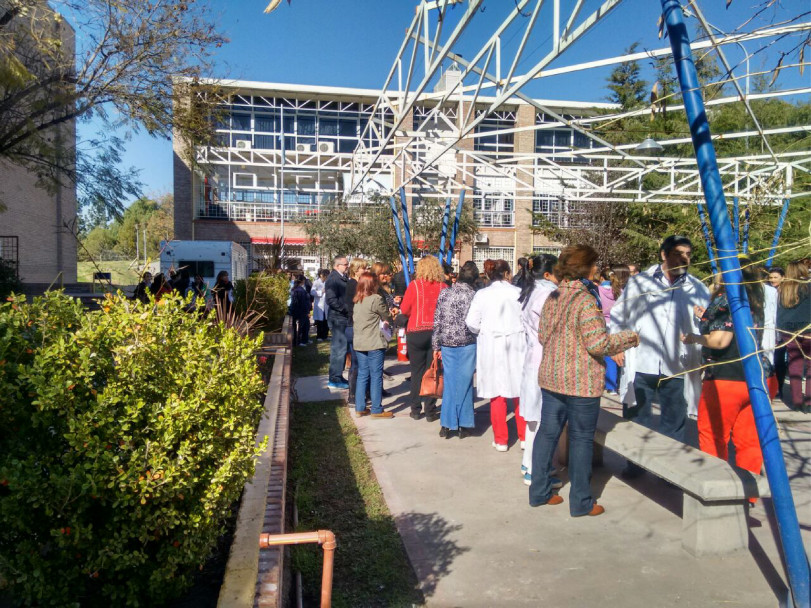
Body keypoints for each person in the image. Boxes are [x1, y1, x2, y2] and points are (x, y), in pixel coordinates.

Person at [529, 245, 639, 516]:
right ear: (586, 267)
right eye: (595, 264)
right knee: (580, 439)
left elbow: (542, 336)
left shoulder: (553, 297)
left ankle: (539, 492)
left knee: (547, 433)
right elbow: (598, 344)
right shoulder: (585, 300)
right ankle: (581, 501)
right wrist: (629, 337)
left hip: (552, 377)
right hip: (581, 382)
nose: (597, 268)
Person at [609, 235, 709, 478]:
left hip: (677, 364)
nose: (684, 258)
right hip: (642, 360)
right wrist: (616, 347)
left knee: (674, 420)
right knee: (636, 417)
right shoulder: (640, 283)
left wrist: (703, 319)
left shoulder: (696, 288)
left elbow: (707, 324)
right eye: (678, 253)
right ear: (664, 255)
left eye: (687, 254)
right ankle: (636, 464)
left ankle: (670, 472)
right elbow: (619, 314)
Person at [682, 259, 778, 476]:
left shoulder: (726, 299)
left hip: (727, 376)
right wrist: (706, 316)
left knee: (713, 436)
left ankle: (718, 487)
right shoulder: (755, 300)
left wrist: (694, 337)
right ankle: (749, 492)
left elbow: (720, 340)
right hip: (760, 376)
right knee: (750, 441)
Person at [465, 259, 525, 452]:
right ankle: (524, 436)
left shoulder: (482, 295)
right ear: (507, 273)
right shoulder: (519, 293)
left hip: (491, 346)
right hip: (516, 345)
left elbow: (472, 322)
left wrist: (486, 330)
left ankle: (501, 439)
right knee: (519, 390)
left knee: (496, 392)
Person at [518, 254, 558, 485]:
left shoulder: (532, 290)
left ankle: (529, 462)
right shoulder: (547, 295)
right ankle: (536, 470)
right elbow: (550, 328)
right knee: (543, 418)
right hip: (544, 358)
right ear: (547, 274)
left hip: (534, 357)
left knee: (535, 417)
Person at [432, 261, 479, 438]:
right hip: (467, 343)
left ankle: (447, 423)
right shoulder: (473, 296)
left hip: (447, 343)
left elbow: (437, 320)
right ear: (473, 279)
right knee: (466, 383)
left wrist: (436, 346)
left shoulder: (445, 293)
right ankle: (464, 424)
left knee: (450, 383)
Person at [400, 256, 448, 421]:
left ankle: (415, 408)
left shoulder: (415, 286)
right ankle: (430, 409)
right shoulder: (444, 287)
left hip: (416, 331)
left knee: (417, 372)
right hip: (436, 333)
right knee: (433, 371)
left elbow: (405, 309)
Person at [352, 271, 394, 419]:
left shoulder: (357, 300)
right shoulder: (375, 298)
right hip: (374, 342)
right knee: (376, 376)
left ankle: (359, 408)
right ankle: (376, 409)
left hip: (359, 343)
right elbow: (386, 314)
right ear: (372, 284)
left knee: (363, 374)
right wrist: (390, 316)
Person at [777, 261, 810, 412]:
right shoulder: (808, 285)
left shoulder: (783, 288)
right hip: (808, 328)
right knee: (810, 366)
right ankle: (809, 402)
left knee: (794, 364)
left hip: (788, 330)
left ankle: (796, 401)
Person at [598, 265, 630, 395]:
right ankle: (615, 384)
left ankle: (608, 384)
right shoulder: (620, 291)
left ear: (601, 278)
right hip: (617, 325)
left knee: (605, 356)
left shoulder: (598, 290)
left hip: (602, 325)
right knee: (615, 354)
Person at [344, 258, 369, 405]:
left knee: (359, 362)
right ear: (356, 270)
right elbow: (351, 306)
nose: (366, 271)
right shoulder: (353, 285)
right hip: (354, 326)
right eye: (363, 268)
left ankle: (360, 393)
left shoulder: (355, 284)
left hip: (355, 326)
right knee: (356, 362)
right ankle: (353, 395)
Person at [325, 255, 351, 390]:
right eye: (345, 264)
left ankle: (338, 376)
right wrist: (345, 309)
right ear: (337, 266)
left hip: (342, 318)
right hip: (338, 318)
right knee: (338, 349)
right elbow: (331, 299)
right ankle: (334, 378)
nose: (347, 266)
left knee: (343, 348)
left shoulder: (342, 277)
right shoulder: (333, 279)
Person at [289, 276, 311, 347]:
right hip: (301, 311)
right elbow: (303, 302)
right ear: (302, 281)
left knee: (304, 326)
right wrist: (307, 311)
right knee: (303, 327)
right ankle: (300, 341)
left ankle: (304, 339)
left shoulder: (295, 289)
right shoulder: (300, 290)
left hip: (297, 310)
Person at [311, 269, 330, 341]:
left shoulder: (327, 282)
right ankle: (319, 336)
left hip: (326, 304)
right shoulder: (316, 282)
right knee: (320, 321)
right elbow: (312, 292)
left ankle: (325, 335)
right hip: (319, 304)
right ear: (321, 275)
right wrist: (320, 292)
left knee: (326, 320)